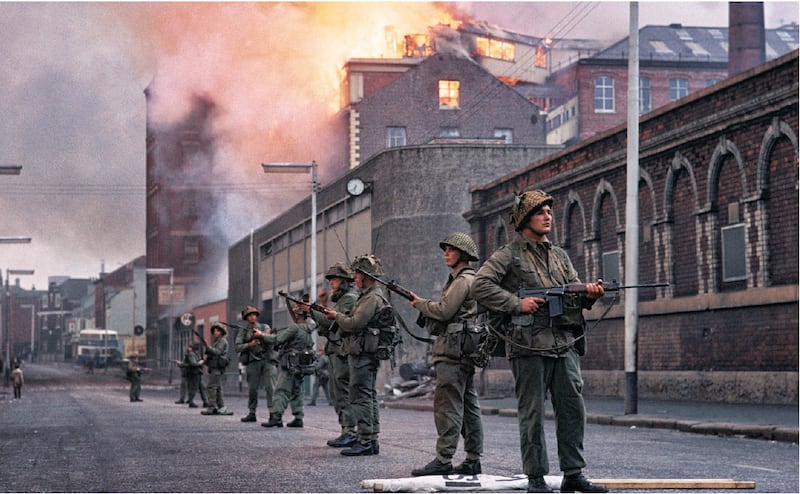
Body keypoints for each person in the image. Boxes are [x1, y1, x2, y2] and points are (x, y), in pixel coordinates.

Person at [472, 190, 607, 493]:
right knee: (532, 412)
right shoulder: (509, 255)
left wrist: (589, 294)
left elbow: (571, 291)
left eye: (549, 211)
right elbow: (480, 286)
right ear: (524, 219)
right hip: (529, 344)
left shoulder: (560, 256)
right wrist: (515, 304)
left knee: (572, 407)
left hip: (563, 342)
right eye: (540, 212)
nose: (548, 216)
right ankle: (535, 476)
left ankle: (573, 473)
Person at [408, 232, 484, 477]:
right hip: (463, 350)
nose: (446, 254)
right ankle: (473, 459)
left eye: (450, 250)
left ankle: (443, 458)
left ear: (462, 253)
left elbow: (443, 311)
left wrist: (420, 303)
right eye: (445, 250)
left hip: (453, 351)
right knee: (469, 405)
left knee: (447, 405)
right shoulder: (466, 279)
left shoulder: (462, 280)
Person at [324, 254, 390, 456]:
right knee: (365, 395)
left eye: (357, 273)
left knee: (361, 395)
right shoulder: (367, 296)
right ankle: (368, 438)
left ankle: (366, 440)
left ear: (366, 276)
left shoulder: (371, 298)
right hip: (361, 352)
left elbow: (354, 323)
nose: (354, 278)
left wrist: (337, 316)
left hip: (363, 354)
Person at [308, 262, 359, 448]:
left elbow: (331, 322)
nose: (331, 283)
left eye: (335, 279)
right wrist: (320, 305)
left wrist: (312, 310)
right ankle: (347, 429)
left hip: (342, 350)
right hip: (336, 350)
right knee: (337, 391)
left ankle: (350, 431)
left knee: (342, 391)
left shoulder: (349, 299)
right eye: (330, 280)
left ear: (345, 281)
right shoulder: (342, 299)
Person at [261, 304, 315, 428]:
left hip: (291, 365)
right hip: (301, 365)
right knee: (297, 391)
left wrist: (262, 336)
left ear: (297, 314)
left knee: (281, 390)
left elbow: (278, 339)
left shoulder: (294, 328)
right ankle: (298, 417)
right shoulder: (307, 329)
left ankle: (276, 417)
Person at [235, 305, 275, 423]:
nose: (252, 317)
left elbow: (273, 339)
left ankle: (273, 413)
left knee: (270, 387)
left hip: (267, 360)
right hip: (253, 361)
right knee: (252, 389)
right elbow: (237, 347)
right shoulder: (243, 331)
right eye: (249, 315)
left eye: (254, 314)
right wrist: (249, 344)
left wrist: (263, 335)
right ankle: (252, 412)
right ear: (246, 318)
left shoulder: (264, 327)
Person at [202, 323, 233, 415]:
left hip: (217, 368)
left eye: (218, 330)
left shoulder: (222, 341)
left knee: (211, 387)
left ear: (222, 332)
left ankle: (212, 407)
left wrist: (208, 347)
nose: (215, 332)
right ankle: (221, 407)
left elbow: (217, 352)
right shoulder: (218, 341)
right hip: (215, 367)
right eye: (214, 330)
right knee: (218, 388)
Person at [184, 342, 205, 408]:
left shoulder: (195, 354)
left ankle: (206, 401)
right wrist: (200, 363)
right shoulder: (192, 354)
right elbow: (193, 363)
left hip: (197, 373)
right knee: (193, 388)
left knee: (202, 388)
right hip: (194, 373)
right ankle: (191, 402)